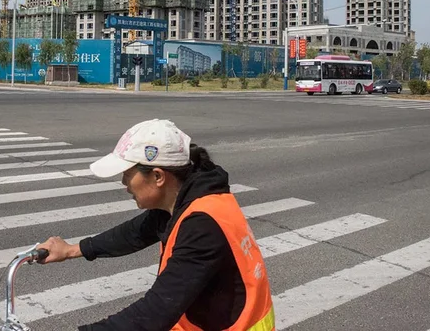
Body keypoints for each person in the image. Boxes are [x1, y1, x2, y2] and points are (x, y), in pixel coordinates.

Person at [37, 119, 275, 331]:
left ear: (158, 177)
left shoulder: (202, 226)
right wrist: (71, 250)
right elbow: (134, 233)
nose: (124, 183)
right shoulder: (185, 199)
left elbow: (155, 312)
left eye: (128, 174)